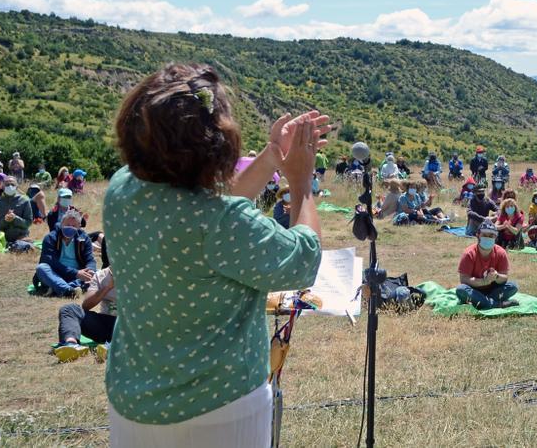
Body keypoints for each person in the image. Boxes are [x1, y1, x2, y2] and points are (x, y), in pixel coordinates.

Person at [104, 63, 326, 446]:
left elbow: (208, 207)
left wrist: (273, 156)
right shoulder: (220, 223)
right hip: (219, 411)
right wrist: (300, 183)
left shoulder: (122, 190)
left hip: (134, 400)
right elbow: (303, 258)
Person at [54, 233, 117, 363]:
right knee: (69, 309)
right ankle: (71, 345)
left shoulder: (138, 274)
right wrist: (107, 288)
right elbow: (86, 306)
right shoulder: (100, 276)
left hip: (130, 323)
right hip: (105, 323)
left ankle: (113, 347)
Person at [33, 207, 96, 297]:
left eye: (73, 226)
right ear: (62, 223)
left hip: (78, 275)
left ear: (79, 226)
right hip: (56, 273)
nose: (70, 227)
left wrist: (90, 270)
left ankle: (60, 288)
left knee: (99, 272)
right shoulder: (50, 238)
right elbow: (51, 262)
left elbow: (90, 259)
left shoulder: (84, 238)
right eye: (67, 224)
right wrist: (75, 273)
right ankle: (69, 290)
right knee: (41, 268)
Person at [455, 222, 519, 309]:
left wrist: (496, 276)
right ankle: (496, 304)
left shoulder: (501, 252)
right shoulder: (469, 253)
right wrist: (483, 281)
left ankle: (483, 302)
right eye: (484, 235)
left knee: (513, 286)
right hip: (474, 290)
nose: (488, 238)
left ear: (495, 237)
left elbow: (504, 278)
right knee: (461, 289)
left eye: (491, 235)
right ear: (478, 235)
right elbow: (464, 279)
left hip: (493, 290)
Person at [0, 175, 34, 248]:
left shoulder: (25, 201)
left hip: (21, 237)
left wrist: (15, 218)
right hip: (2, 237)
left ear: (16, 186)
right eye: (7, 184)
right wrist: (5, 220)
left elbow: (28, 223)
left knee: (23, 246)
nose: (10, 186)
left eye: (12, 184)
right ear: (3, 186)